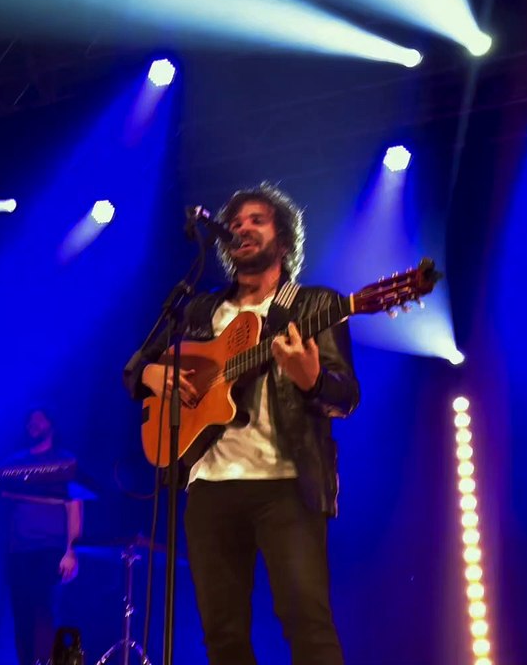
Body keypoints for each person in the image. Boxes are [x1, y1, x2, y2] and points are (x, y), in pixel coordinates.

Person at [122, 183, 360, 665]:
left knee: (306, 625)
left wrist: (312, 379)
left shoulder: (315, 305)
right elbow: (135, 369)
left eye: (258, 219)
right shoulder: (200, 308)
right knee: (222, 637)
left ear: (284, 239)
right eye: (236, 221)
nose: (243, 227)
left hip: (287, 486)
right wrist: (155, 374)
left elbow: (346, 396)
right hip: (209, 487)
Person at [0, 409, 83, 665]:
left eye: (39, 419)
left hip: (51, 549)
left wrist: (71, 550)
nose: (33, 424)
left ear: (51, 424)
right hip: (18, 551)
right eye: (29, 420)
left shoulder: (65, 460)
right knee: (21, 615)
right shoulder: (13, 463)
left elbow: (75, 506)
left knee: (45, 613)